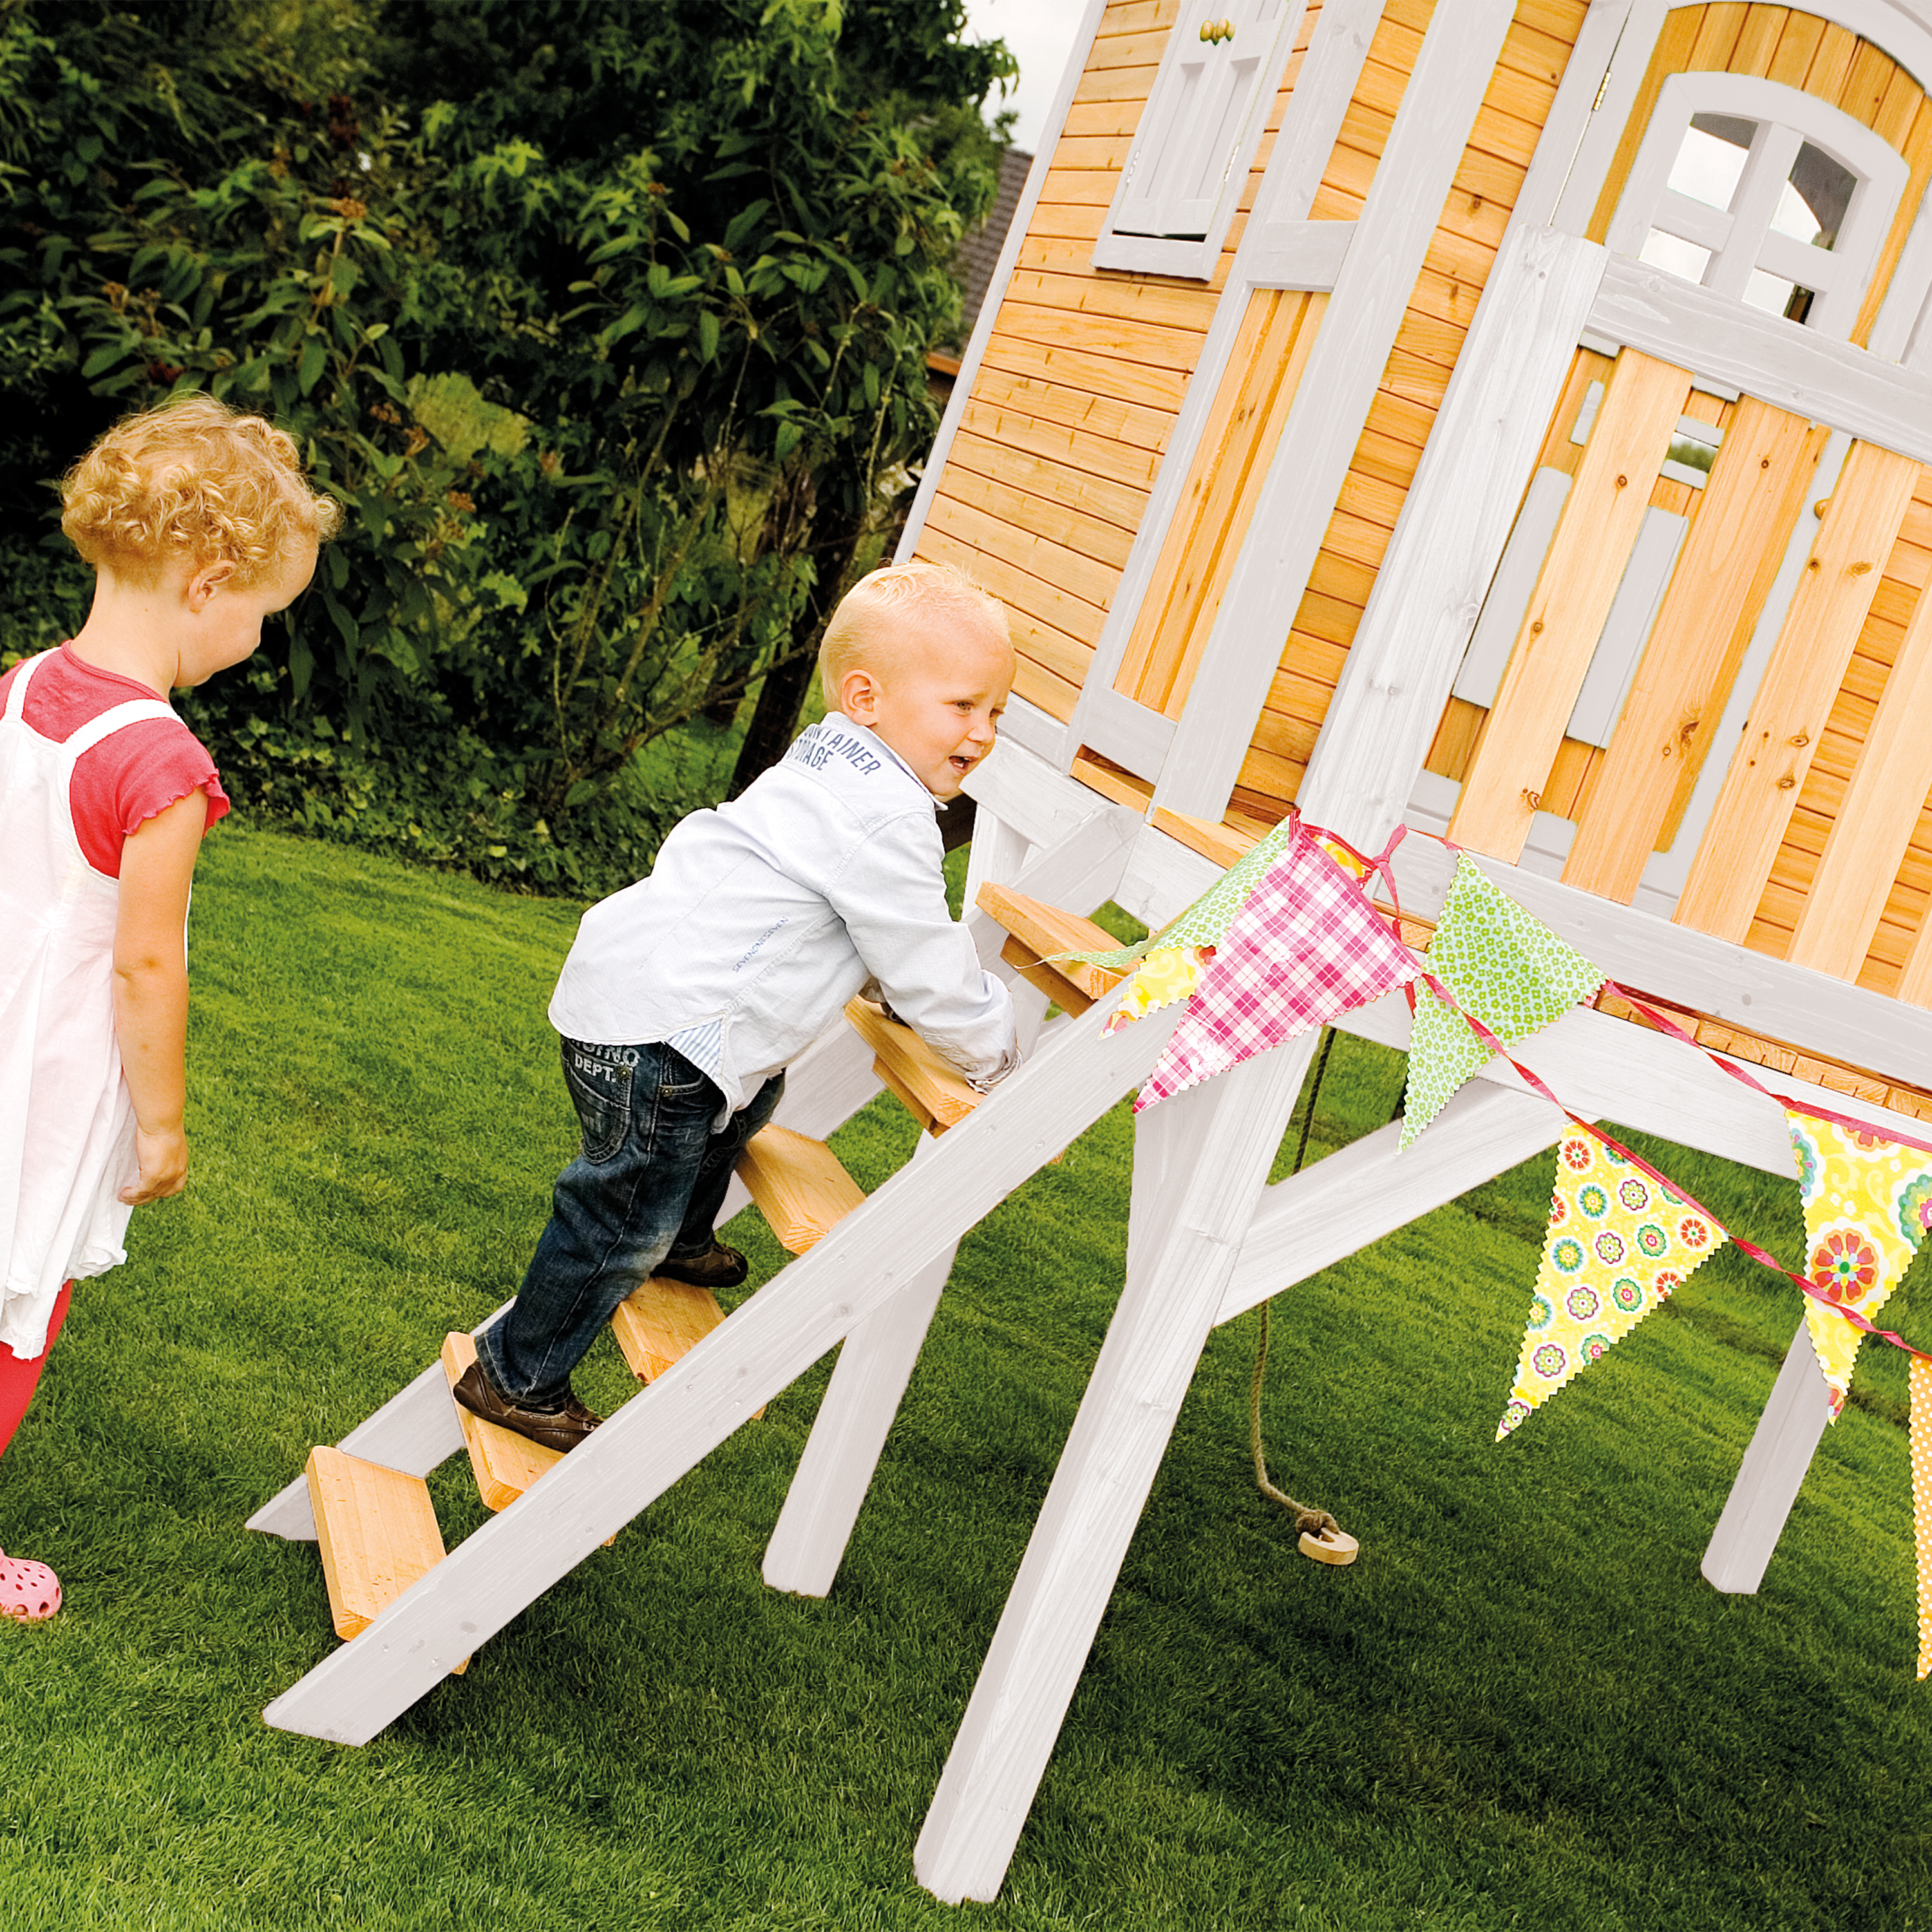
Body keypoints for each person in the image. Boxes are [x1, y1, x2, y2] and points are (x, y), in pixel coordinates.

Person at [454, 560, 1020, 1452]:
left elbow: (831, 913)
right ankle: (518, 1377)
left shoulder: (827, 761)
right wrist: (994, 1057)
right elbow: (926, 961)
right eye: (964, 707)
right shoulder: (888, 817)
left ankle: (683, 1234)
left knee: (750, 1099)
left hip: (641, 1002)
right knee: (617, 1217)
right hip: (666, 1038)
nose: (984, 734)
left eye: (997, 714)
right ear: (867, 697)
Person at [0, 394, 337, 1619]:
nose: (257, 636)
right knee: (19, 1293)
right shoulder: (162, 767)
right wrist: (163, 1126)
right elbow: (146, 966)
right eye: (262, 614)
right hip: (47, 1075)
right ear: (208, 584)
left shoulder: (25, 684)